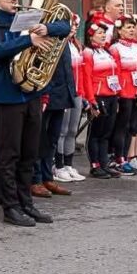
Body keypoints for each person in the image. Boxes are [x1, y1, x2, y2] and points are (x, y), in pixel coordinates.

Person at [0, 0, 70, 227]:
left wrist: (47, 29)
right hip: (6, 95)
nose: (14, 1)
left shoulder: (29, 18)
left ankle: (26, 203)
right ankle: (10, 206)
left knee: (30, 152)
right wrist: (27, 39)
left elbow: (65, 25)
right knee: (9, 154)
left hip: (31, 93)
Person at [32, 30, 75, 198]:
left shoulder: (64, 40)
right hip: (46, 94)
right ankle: (35, 179)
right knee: (38, 141)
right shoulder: (45, 37)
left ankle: (47, 177)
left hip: (61, 95)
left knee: (52, 140)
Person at [109, 16, 137, 175]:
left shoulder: (136, 47)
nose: (132, 30)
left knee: (132, 127)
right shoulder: (115, 48)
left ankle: (126, 158)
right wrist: (117, 94)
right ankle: (118, 158)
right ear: (119, 31)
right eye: (128, 27)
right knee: (122, 126)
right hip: (124, 93)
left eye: (133, 27)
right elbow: (115, 72)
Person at [82, 22, 122, 178]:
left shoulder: (106, 51)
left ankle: (104, 163)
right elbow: (86, 77)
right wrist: (91, 100)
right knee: (96, 132)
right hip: (98, 96)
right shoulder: (88, 52)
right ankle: (95, 165)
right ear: (91, 36)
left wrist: (117, 95)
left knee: (106, 133)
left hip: (111, 95)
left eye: (104, 33)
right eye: (99, 33)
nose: (103, 35)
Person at [54, 16, 87, 181]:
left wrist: (84, 94)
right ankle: (58, 166)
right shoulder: (59, 45)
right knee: (62, 131)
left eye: (75, 25)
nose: (74, 28)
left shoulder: (76, 45)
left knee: (73, 131)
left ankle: (68, 164)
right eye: (71, 25)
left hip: (77, 93)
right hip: (65, 92)